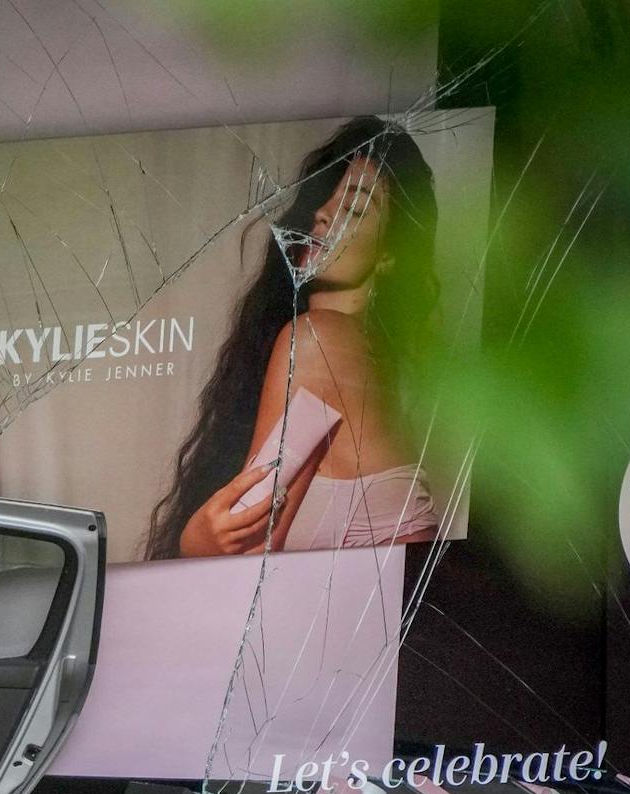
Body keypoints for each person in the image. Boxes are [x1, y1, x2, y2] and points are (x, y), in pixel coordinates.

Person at [143, 117, 443, 560]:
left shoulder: (322, 341)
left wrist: (195, 543)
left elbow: (244, 556)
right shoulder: (363, 360)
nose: (323, 214)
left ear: (389, 256)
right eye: (325, 197)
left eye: (356, 209)